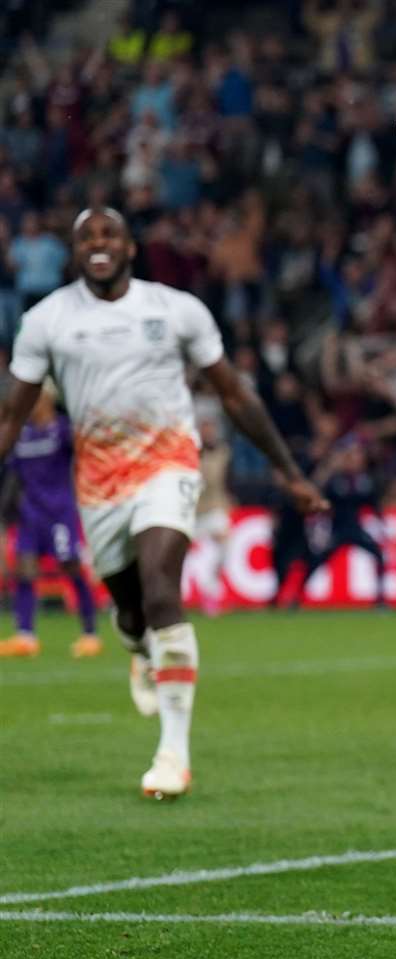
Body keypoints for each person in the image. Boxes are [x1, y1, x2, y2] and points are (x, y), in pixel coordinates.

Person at [0, 208, 326, 799]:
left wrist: (289, 472)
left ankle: (173, 753)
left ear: (130, 248)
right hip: (98, 482)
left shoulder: (175, 309)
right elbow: (11, 415)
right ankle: (141, 651)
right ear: (76, 252)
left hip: (169, 463)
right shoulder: (45, 321)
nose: (99, 245)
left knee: (159, 588)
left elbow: (233, 392)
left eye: (110, 236)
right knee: (129, 614)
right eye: (87, 238)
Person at [0, 385, 101, 658]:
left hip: (60, 512)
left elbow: (86, 457)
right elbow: (11, 475)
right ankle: (25, 636)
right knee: (23, 569)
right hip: (30, 513)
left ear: (45, 400)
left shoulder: (63, 430)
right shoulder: (21, 435)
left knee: (71, 567)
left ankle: (90, 633)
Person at [307, 437, 389, 608]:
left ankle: (380, 599)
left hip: (355, 529)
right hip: (337, 530)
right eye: (352, 456)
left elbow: (373, 503)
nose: (357, 460)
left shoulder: (364, 481)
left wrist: (381, 521)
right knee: (316, 561)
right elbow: (319, 494)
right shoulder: (336, 480)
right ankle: (297, 597)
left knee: (379, 556)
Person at [194, 415, 233, 616]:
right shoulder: (191, 453)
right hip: (192, 512)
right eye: (204, 428)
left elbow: (228, 479)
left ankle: (212, 593)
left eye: (211, 429)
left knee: (225, 548)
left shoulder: (223, 452)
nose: (208, 433)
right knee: (175, 555)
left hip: (215, 507)